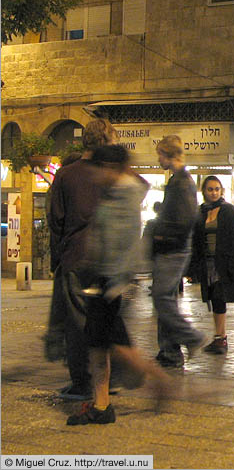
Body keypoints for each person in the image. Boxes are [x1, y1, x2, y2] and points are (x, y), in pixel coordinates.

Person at [67, 145, 172, 425]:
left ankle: (157, 380)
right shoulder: (115, 192)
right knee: (101, 345)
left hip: (108, 281)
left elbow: (123, 243)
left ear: (111, 168)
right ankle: (102, 405)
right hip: (104, 279)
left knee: (112, 345)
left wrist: (110, 284)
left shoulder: (123, 195)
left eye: (98, 168)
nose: (94, 174)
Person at [45, 118, 117, 400]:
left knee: (77, 324)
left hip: (75, 257)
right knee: (105, 322)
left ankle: (81, 382)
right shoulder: (110, 176)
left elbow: (56, 220)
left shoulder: (66, 175)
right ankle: (105, 382)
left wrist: (63, 250)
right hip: (106, 259)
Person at [152, 135, 206, 367]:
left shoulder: (182, 182)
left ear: (168, 154)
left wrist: (162, 232)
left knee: (161, 297)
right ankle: (170, 351)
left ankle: (192, 338)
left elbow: (186, 220)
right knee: (166, 299)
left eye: (160, 155)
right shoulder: (178, 180)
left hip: (174, 248)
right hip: (171, 247)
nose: (158, 159)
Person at [190, 176, 234, 354]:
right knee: (213, 298)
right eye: (210, 189)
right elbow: (196, 239)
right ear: (204, 191)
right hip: (207, 262)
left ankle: (221, 338)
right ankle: (219, 337)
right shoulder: (201, 211)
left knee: (220, 297)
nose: (213, 192)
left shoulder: (228, 210)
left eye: (216, 189)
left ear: (221, 191)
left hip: (223, 262)